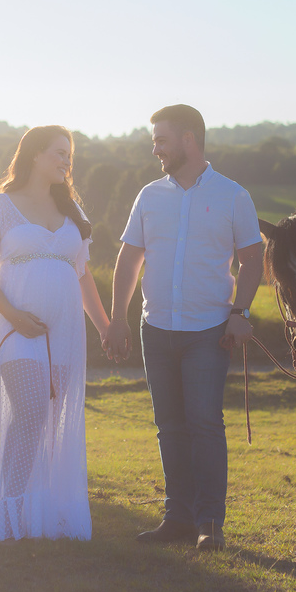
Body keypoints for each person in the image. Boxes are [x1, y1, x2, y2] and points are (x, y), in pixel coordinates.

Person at [0, 125, 110, 543]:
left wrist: (105, 327)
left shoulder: (73, 212)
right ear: (34, 154)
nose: (67, 160)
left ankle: (21, 510)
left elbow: (83, 276)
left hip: (65, 333)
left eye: (69, 154)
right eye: (59, 152)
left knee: (42, 420)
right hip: (14, 328)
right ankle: (8, 511)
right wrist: (14, 315)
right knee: (32, 410)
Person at [103, 104, 263, 551]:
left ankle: (210, 522)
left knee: (205, 424)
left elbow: (253, 260)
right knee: (169, 426)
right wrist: (118, 317)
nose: (155, 149)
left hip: (209, 332)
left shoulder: (234, 196)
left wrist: (241, 312)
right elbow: (129, 260)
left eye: (161, 140)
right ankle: (178, 518)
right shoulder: (148, 195)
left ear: (188, 139)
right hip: (155, 329)